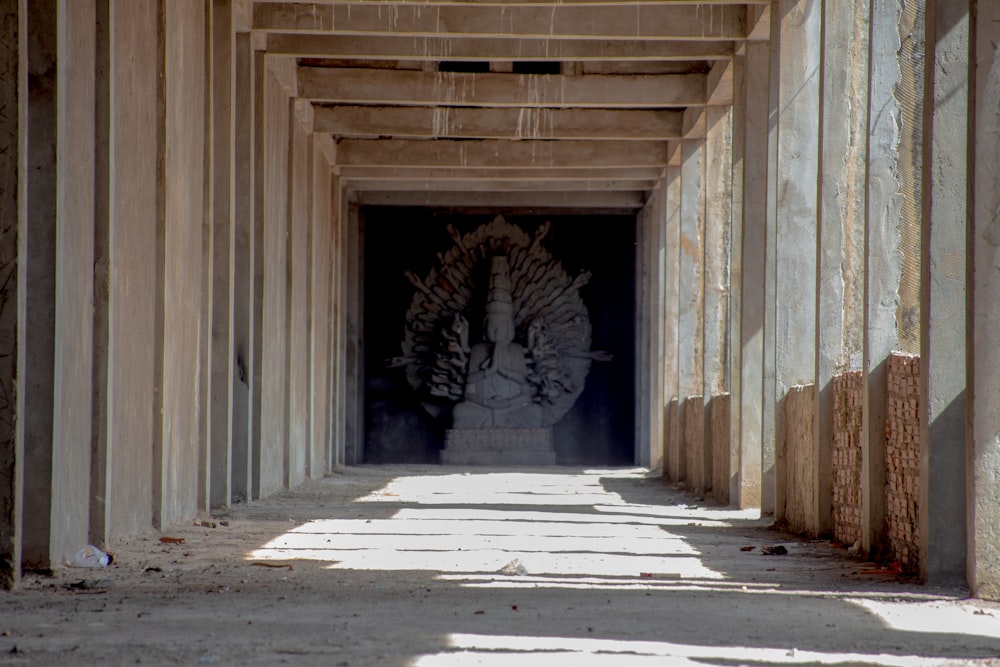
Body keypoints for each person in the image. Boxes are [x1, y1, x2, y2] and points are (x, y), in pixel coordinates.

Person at [452, 256, 543, 429]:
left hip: (513, 409)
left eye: (501, 325)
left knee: (535, 413)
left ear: (510, 327)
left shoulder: (516, 350)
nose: (496, 330)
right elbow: (469, 391)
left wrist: (505, 374)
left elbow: (525, 391)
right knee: (459, 411)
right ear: (485, 326)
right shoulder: (478, 349)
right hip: (482, 409)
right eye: (492, 325)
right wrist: (489, 373)